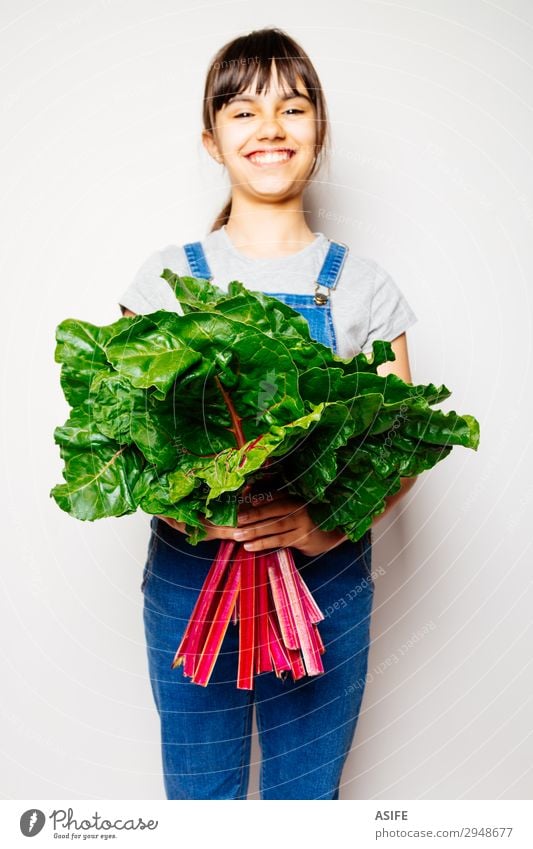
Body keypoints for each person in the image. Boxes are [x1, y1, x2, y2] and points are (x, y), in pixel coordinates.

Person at [118, 27, 418, 800]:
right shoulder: (164, 282)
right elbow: (125, 433)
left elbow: (401, 446)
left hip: (324, 580)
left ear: (318, 131)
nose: (270, 128)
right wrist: (194, 509)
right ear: (212, 141)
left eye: (293, 106)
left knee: (303, 804)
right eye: (243, 111)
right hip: (194, 576)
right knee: (200, 800)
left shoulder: (362, 288)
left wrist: (326, 527)